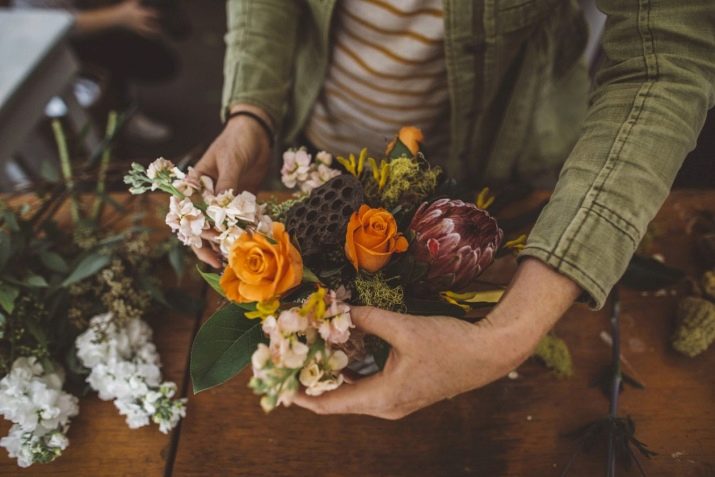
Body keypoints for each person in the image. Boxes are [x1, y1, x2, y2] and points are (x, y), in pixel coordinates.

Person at [192, 0, 715, 419]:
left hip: (502, 156)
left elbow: (662, 59)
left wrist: (506, 336)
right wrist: (251, 112)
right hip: (317, 141)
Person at [13, 0, 185, 142]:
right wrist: (120, 16)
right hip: (56, 45)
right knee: (154, 62)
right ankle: (111, 121)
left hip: (79, 19)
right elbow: (54, 24)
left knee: (157, 59)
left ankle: (121, 112)